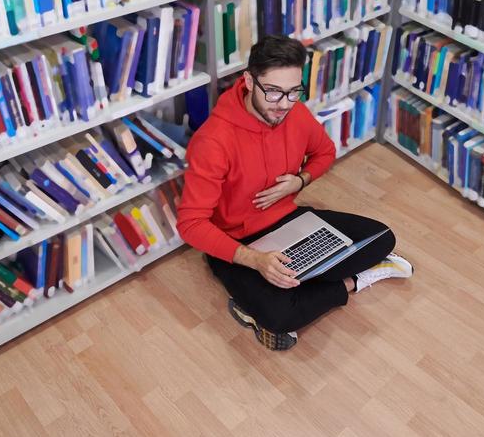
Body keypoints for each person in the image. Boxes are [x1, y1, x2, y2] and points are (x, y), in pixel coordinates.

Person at [177, 35, 413, 350]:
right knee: (279, 316)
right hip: (238, 245)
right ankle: (353, 281)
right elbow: (191, 224)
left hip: (291, 221)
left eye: (293, 91)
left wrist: (300, 181)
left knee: (382, 238)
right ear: (248, 81)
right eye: (273, 92)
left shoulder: (295, 114)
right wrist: (255, 260)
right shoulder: (213, 142)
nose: (285, 103)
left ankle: (300, 285)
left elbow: (325, 152)